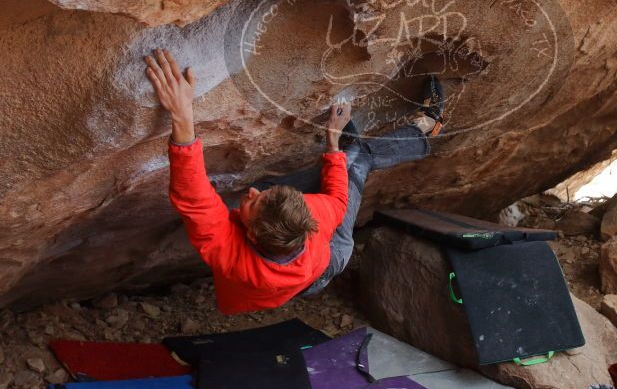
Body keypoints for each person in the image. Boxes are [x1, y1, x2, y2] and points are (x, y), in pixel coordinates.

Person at [144, 49, 444, 314]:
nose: (250, 192)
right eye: (258, 200)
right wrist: (332, 143)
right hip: (330, 260)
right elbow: (338, 202)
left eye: (254, 203)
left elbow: (193, 197)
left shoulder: (229, 254)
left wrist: (182, 115)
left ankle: (390, 138)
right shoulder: (317, 216)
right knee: (357, 158)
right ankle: (423, 131)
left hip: (297, 279)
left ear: (250, 237)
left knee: (345, 159)